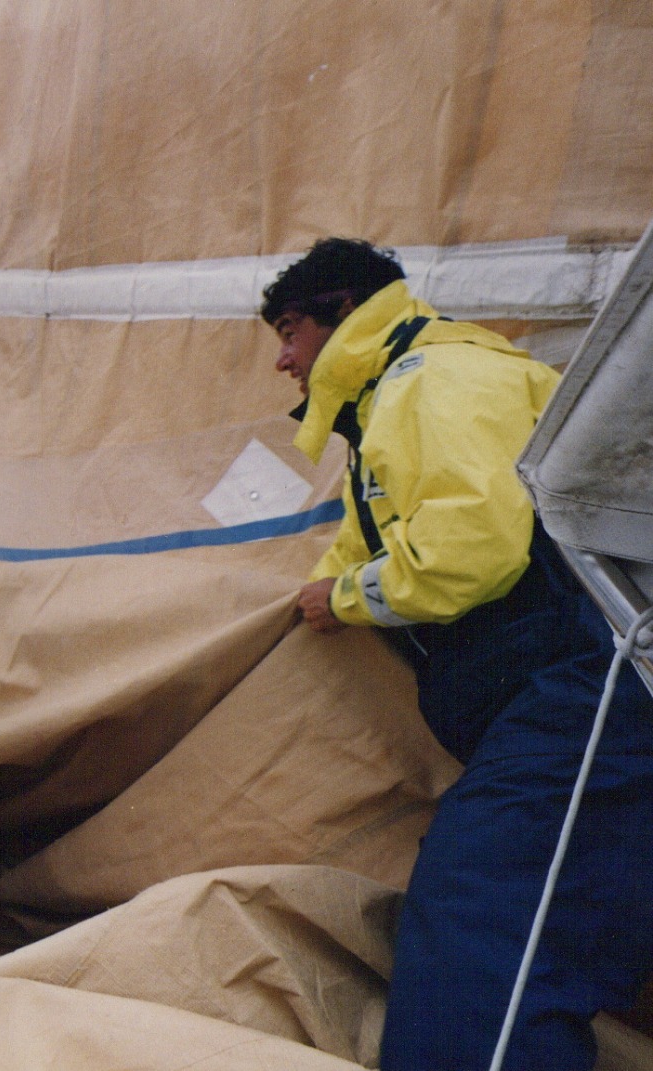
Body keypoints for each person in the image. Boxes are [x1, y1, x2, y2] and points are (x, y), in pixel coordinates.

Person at [261, 237, 653, 1070]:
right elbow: (379, 530)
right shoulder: (400, 401)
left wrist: (338, 600)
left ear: (342, 312)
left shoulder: (436, 379)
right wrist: (330, 581)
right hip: (575, 694)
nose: (282, 360)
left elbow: (467, 550)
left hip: (587, 689)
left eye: (290, 331)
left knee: (485, 924)